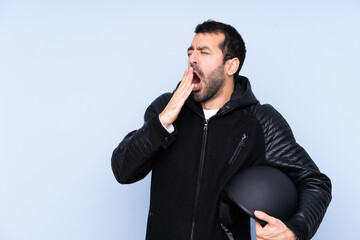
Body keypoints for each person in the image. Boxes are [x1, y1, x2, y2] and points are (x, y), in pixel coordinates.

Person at [111, 20, 332, 240]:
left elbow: (315, 183)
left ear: (231, 66)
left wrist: (294, 230)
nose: (192, 60)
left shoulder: (259, 121)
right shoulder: (165, 109)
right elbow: (123, 170)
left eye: (204, 53)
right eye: (190, 52)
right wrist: (162, 122)